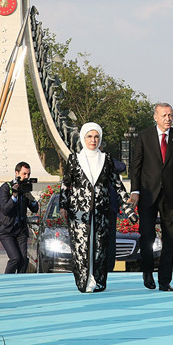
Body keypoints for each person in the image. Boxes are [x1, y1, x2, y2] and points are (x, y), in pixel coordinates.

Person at [61, 124, 134, 292]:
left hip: (102, 210)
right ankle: (84, 281)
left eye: (96, 137)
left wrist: (127, 206)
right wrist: (63, 205)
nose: (93, 140)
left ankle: (99, 281)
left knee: (100, 247)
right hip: (79, 211)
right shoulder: (74, 159)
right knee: (81, 248)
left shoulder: (106, 158)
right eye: (89, 136)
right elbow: (66, 185)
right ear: (83, 138)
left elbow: (117, 184)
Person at [129, 103, 173, 292]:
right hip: (148, 195)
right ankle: (147, 273)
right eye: (164, 115)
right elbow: (136, 167)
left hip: (171, 196)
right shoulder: (144, 137)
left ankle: (165, 280)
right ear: (155, 117)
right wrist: (135, 191)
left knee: (171, 239)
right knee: (147, 236)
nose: (168, 118)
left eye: (170, 115)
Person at [0, 162, 39, 274]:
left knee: (24, 259)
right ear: (16, 173)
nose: (26, 177)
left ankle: (20, 282)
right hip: (6, 229)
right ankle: (7, 281)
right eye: (24, 174)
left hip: (20, 229)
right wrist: (14, 196)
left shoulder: (25, 189)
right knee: (15, 258)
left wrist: (31, 199)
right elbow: (4, 210)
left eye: (28, 174)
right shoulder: (5, 188)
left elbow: (35, 209)